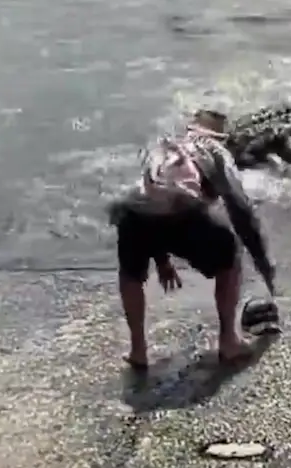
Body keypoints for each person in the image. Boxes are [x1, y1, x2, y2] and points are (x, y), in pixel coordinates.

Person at [107, 109, 278, 369]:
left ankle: (138, 350)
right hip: (180, 209)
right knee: (230, 252)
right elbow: (240, 209)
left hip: (132, 211)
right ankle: (229, 342)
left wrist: (161, 259)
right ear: (222, 136)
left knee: (131, 273)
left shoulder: (163, 147)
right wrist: (265, 266)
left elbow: (153, 195)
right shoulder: (216, 150)